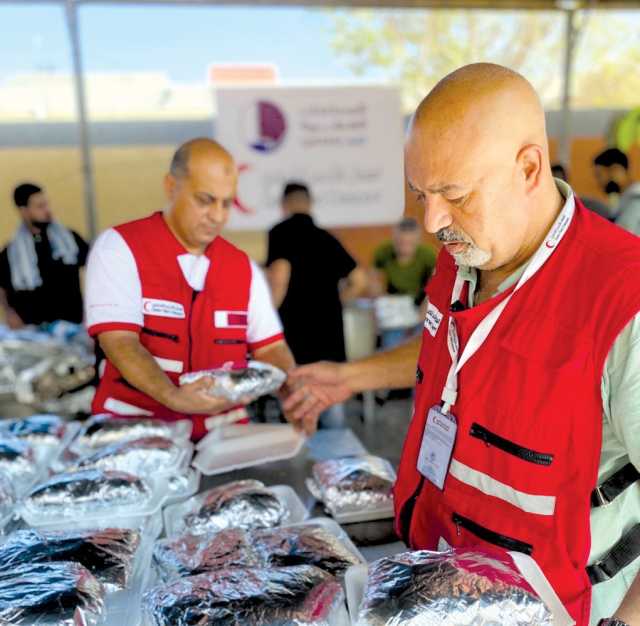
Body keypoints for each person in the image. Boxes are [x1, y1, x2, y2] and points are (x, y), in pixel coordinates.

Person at [285, 64, 640, 626]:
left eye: (454, 193)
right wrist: (352, 377)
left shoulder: (624, 297)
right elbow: (450, 345)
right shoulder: (466, 254)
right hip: (438, 581)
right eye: (420, 193)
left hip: (557, 608)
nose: (432, 221)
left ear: (528, 168)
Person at [85, 138, 296, 440]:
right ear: (171, 187)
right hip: (135, 437)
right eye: (205, 200)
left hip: (223, 442)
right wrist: (173, 396)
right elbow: (120, 341)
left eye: (227, 203)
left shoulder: (242, 268)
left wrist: (295, 394)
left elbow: (271, 348)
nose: (218, 216)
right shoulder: (120, 248)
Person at [265, 181, 367, 427]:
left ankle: (298, 461)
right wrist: (337, 301)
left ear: (284, 205)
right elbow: (359, 279)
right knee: (331, 403)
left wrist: (268, 316)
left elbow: (279, 275)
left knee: (298, 409)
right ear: (309, 204)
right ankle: (334, 462)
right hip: (329, 336)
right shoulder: (327, 238)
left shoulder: (279, 232)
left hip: (295, 336)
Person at [0, 183, 89, 328]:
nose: (47, 210)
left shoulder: (70, 241)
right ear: (24, 211)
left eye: (46, 204)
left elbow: (93, 269)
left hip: (72, 327)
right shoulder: (11, 252)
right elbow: (2, 286)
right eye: (40, 206)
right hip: (32, 332)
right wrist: (9, 313)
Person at [372, 217, 436, 348]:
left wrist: (423, 313)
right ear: (394, 240)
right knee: (391, 342)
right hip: (394, 304)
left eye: (410, 243)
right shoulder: (383, 252)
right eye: (401, 243)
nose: (405, 248)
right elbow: (374, 282)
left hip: (420, 303)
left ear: (418, 241)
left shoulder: (428, 255)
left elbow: (437, 286)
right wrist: (382, 306)